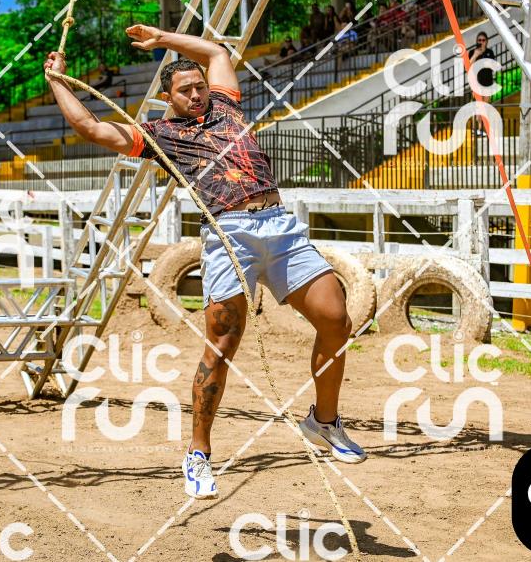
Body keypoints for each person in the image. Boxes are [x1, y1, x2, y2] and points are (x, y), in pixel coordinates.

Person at [44, 26, 366, 500]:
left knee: (337, 321)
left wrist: (161, 38)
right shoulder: (159, 135)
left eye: (199, 87)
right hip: (228, 231)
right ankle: (198, 453)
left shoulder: (227, 107)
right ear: (168, 98)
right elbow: (90, 128)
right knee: (222, 344)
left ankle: (324, 421)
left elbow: (216, 51)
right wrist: (57, 82)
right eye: (186, 91)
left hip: (278, 224)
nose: (196, 95)